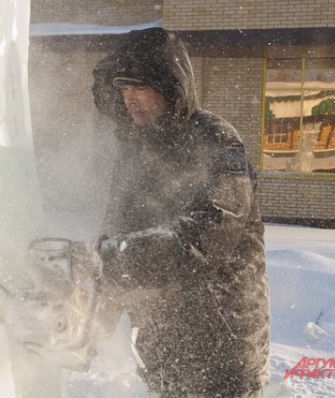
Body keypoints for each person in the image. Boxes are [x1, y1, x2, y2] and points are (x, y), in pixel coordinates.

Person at [92, 27, 270, 398]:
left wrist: (107, 260)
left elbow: (198, 242)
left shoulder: (217, 142)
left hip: (223, 354)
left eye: (139, 87)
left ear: (169, 86)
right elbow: (118, 238)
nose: (130, 100)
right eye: (123, 90)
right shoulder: (133, 155)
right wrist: (90, 321)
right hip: (161, 355)